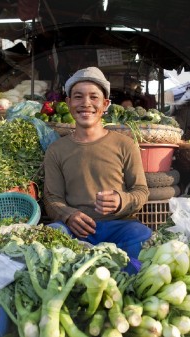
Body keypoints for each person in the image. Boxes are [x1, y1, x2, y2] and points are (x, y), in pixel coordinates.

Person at [43, 67, 152, 270]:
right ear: (68, 104)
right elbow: (51, 198)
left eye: (94, 97)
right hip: (75, 230)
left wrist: (121, 200)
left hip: (120, 226)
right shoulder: (56, 150)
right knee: (51, 236)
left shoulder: (125, 144)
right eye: (78, 97)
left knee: (141, 236)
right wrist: (68, 215)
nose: (86, 103)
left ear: (105, 104)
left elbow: (141, 191)